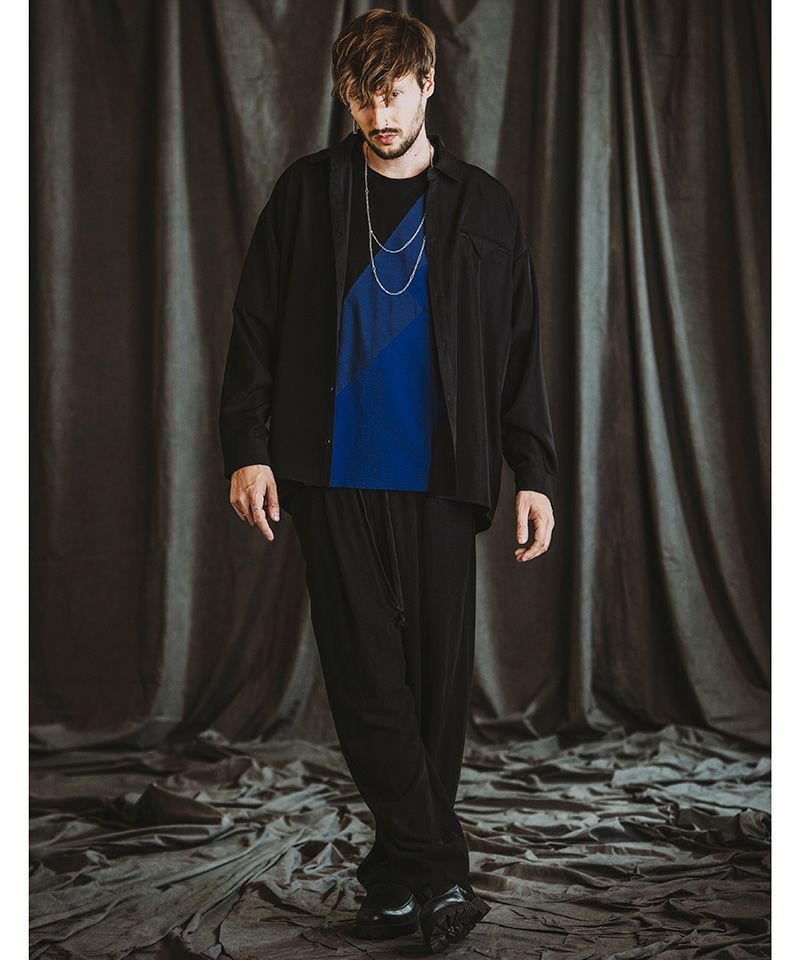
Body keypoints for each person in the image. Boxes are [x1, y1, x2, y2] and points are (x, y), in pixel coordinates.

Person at [218, 9, 558, 954]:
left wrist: (534, 471)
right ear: (345, 96)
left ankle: (400, 879)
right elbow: (253, 326)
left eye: (395, 93)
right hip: (331, 473)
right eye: (362, 97)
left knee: (435, 693)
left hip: (443, 479)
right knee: (366, 681)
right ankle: (441, 871)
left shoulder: (484, 207)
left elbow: (521, 348)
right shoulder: (307, 193)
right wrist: (247, 447)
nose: (379, 114)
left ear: (428, 85)